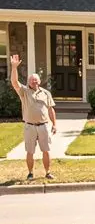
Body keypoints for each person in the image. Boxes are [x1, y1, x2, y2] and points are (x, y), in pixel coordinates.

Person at [10, 53, 57, 181]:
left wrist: (54, 124)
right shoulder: (24, 92)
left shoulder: (46, 93)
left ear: (39, 81)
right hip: (29, 126)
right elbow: (14, 82)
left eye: (35, 79)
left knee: (46, 150)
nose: (33, 81)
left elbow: (50, 109)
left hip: (44, 126)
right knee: (30, 151)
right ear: (28, 82)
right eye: (31, 79)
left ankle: (47, 172)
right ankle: (30, 173)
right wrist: (14, 67)